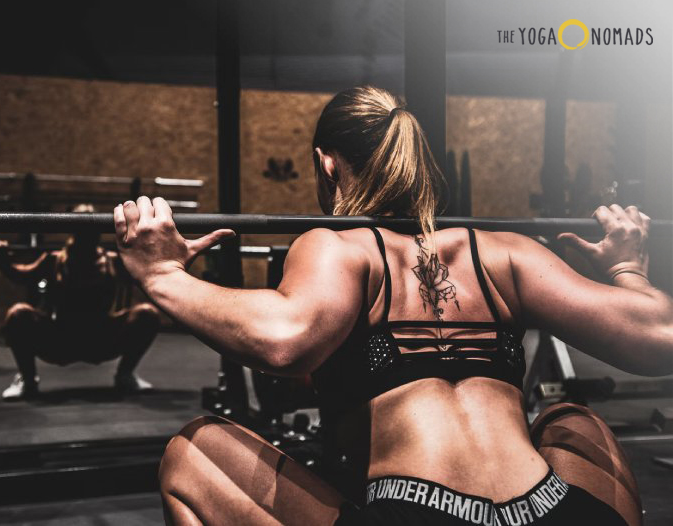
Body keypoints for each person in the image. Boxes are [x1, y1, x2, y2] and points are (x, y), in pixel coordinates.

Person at [114, 86, 672, 525]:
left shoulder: (336, 247)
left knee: (192, 453)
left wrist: (162, 274)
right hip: (548, 511)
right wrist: (627, 268)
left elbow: (284, 340)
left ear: (327, 165)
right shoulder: (504, 252)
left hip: (416, 513)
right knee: (574, 420)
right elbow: (660, 335)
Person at [0, 203, 160, 401]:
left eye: (91, 229)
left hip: (101, 338)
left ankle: (125, 375)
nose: (87, 234)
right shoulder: (53, 260)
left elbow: (145, 277)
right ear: (73, 230)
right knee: (18, 314)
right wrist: (2, 259)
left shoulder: (112, 261)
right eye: (82, 229)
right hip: (61, 339)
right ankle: (28, 380)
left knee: (146, 314)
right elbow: (19, 275)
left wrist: (147, 252)